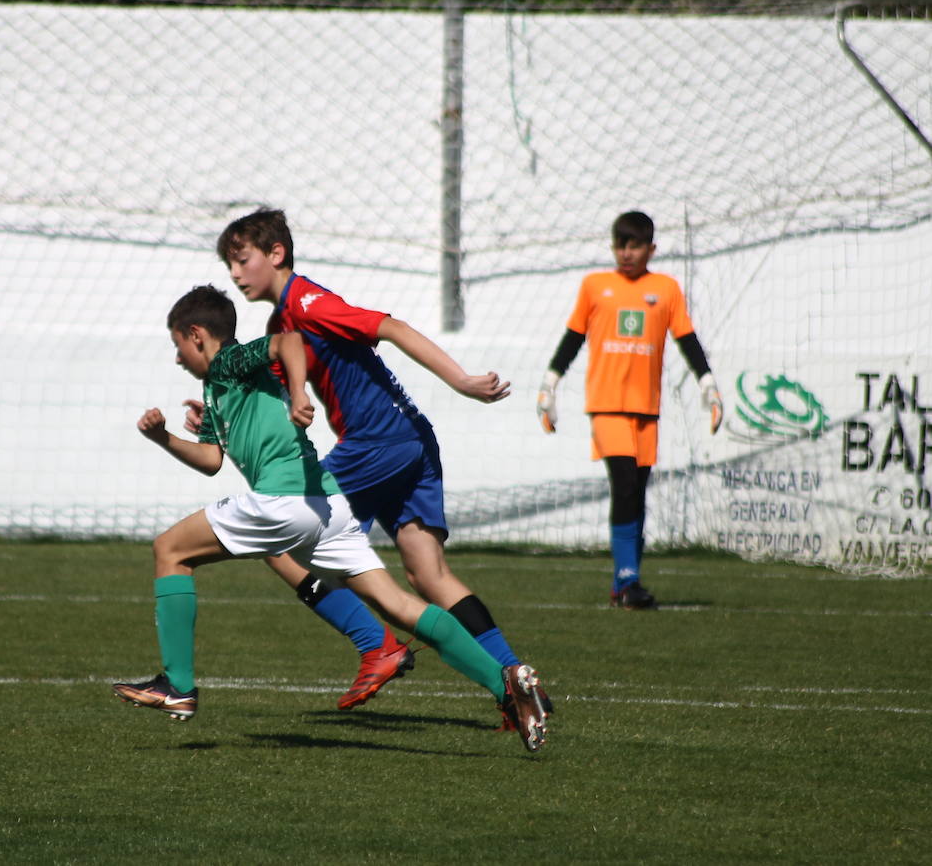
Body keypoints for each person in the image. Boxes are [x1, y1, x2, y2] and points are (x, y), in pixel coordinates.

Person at [113, 284, 548, 752]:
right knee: (397, 604)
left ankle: (177, 686)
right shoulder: (219, 385)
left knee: (169, 550)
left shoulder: (228, 361)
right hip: (328, 506)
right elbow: (213, 459)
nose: (177, 359)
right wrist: (164, 439)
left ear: (196, 335)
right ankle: (506, 685)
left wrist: (300, 394)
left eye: (177, 345)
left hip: (284, 502)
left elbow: (289, 341)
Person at [192, 208, 549, 724]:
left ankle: (376, 645)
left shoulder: (309, 303)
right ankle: (516, 680)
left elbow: (392, 327)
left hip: (377, 443)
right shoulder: (281, 323)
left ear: (276, 254)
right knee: (427, 573)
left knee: (276, 538)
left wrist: (462, 381)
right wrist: (221, 415)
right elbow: (265, 395)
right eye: (230, 264)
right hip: (413, 439)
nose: (235, 273)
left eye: (242, 259)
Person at [536, 211, 724, 609]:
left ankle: (624, 584)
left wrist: (707, 383)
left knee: (636, 493)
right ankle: (628, 580)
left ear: (651, 248)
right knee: (622, 484)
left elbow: (686, 338)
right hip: (605, 406)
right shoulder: (595, 286)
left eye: (634, 245)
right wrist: (549, 384)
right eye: (620, 245)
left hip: (646, 410)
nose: (626, 253)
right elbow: (573, 338)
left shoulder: (666, 289)